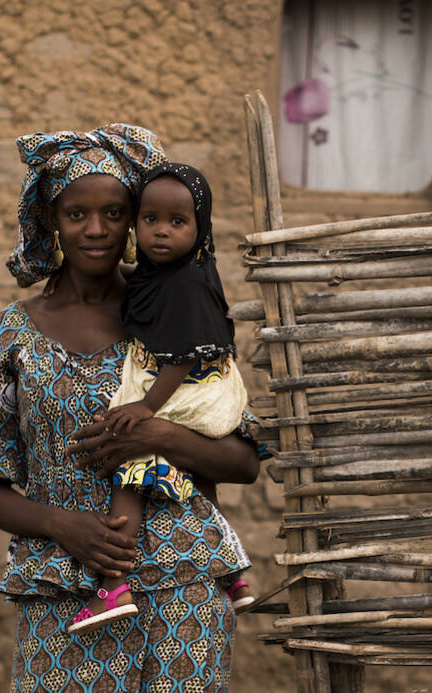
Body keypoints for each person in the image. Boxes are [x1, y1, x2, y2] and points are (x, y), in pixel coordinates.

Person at [0, 123, 263, 692]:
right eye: (77, 214)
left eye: (114, 213)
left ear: (134, 218)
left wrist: (156, 436)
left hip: (182, 589)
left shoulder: (175, 308)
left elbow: (243, 460)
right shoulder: (13, 335)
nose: (96, 230)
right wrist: (61, 524)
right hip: (65, 592)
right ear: (52, 220)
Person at [70, 163, 254, 633]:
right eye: (150, 219)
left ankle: (113, 585)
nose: (161, 232)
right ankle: (232, 573)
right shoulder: (173, 273)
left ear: (200, 226)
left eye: (177, 222)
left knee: (129, 462)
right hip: (208, 388)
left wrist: (146, 408)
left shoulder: (186, 284)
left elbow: (182, 356)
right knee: (198, 479)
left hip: (193, 390)